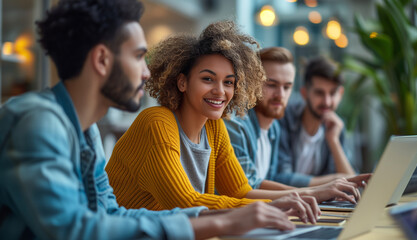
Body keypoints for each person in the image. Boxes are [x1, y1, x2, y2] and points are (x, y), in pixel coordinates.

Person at [0, 1, 300, 239]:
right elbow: (74, 231)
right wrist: (223, 220)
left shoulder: (85, 130)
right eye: (138, 56)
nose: (146, 72)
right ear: (102, 59)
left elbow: (111, 214)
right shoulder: (38, 123)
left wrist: (222, 217)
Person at [106, 20, 320, 224]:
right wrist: (271, 206)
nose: (220, 91)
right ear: (182, 82)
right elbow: (186, 203)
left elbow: (240, 191)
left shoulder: (214, 126)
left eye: (228, 82)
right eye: (208, 79)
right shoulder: (157, 123)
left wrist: (303, 197)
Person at [225, 47, 370, 202]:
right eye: (272, 85)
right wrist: (316, 192)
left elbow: (265, 182)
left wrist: (318, 192)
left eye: (287, 87)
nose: (280, 95)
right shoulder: (237, 126)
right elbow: (249, 188)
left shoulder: (273, 128)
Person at [278, 56, 356, 187]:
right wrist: (334, 181)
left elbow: (353, 185)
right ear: (304, 93)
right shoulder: (283, 118)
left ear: (340, 94)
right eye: (319, 93)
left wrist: (334, 141)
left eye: (332, 93)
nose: (327, 102)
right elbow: (280, 177)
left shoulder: (336, 127)